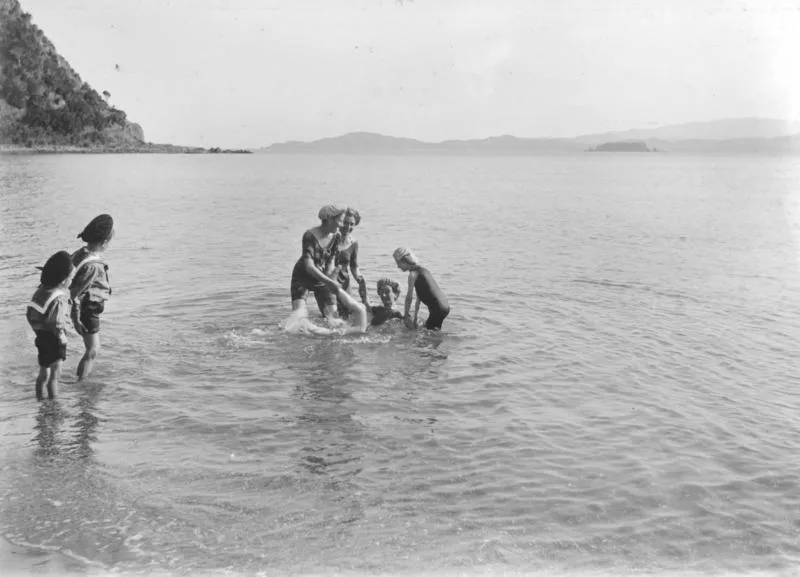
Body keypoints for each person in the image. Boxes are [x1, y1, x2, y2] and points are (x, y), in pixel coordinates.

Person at [69, 214, 114, 381]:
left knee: (92, 348)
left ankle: (82, 380)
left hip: (89, 308)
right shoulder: (93, 266)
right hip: (89, 309)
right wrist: (75, 319)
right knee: (92, 349)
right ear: (104, 242)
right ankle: (81, 384)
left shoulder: (82, 253)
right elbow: (75, 294)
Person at [26, 251, 73, 400]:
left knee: (43, 373)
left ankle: (40, 400)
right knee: (55, 375)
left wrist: (38, 331)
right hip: (55, 339)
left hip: (41, 337)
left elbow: (30, 314)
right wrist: (61, 336)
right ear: (63, 279)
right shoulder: (59, 298)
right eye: (71, 277)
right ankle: (54, 405)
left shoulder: (40, 291)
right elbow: (57, 321)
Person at [290, 204, 345, 319]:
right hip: (302, 278)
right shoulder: (309, 236)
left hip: (322, 277)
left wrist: (330, 279)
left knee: (334, 319)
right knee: (298, 319)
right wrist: (329, 282)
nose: (342, 225)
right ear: (330, 220)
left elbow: (330, 261)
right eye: (340, 221)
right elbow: (309, 266)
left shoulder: (337, 236)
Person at [393, 247, 450, 330]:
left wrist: (406, 315)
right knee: (432, 332)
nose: (397, 266)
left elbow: (409, 298)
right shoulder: (423, 270)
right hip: (444, 305)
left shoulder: (413, 275)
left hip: (437, 308)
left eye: (398, 263)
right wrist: (415, 317)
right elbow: (419, 297)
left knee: (427, 335)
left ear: (404, 261)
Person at [335, 207, 367, 318]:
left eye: (351, 224)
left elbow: (353, 266)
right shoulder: (329, 238)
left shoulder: (353, 243)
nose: (348, 227)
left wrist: (360, 279)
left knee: (346, 315)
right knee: (331, 315)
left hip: (344, 282)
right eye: (345, 222)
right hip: (329, 280)